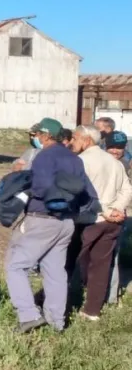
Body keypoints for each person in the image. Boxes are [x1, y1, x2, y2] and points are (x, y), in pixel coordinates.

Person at [5, 118, 93, 333]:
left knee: (16, 266)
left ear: (45, 135)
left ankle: (28, 315)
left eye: (37, 134)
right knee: (55, 272)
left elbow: (42, 188)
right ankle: (56, 322)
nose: (35, 138)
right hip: (66, 223)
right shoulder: (75, 159)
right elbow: (88, 195)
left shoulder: (44, 156)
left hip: (42, 219)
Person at [68, 127, 131, 320]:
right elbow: (127, 189)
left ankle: (53, 302)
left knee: (67, 263)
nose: (72, 142)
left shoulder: (81, 162)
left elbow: (84, 195)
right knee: (101, 266)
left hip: (89, 221)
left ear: (86, 140)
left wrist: (106, 211)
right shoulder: (114, 163)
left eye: (75, 138)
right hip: (112, 222)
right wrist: (117, 210)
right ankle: (92, 311)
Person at [103, 131, 131, 305]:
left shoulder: (126, 164)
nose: (115, 150)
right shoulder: (97, 162)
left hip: (116, 215)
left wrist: (118, 209)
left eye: (119, 147)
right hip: (96, 213)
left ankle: (111, 297)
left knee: (113, 256)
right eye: (112, 146)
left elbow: (127, 191)